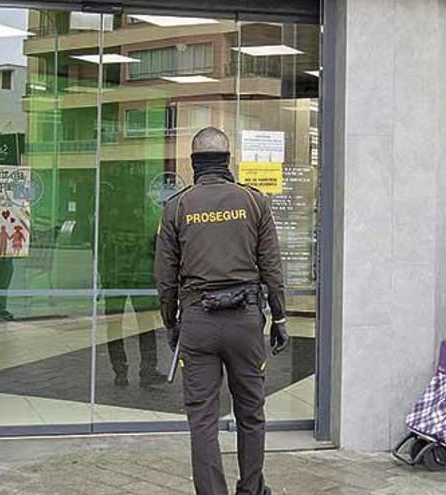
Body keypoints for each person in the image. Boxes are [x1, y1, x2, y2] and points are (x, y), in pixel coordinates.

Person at [154, 127, 288, 495]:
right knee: (251, 411)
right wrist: (279, 317)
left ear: (193, 162)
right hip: (245, 322)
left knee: (202, 420)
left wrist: (171, 324)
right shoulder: (255, 202)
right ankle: (251, 490)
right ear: (228, 160)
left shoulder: (177, 206)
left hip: (198, 323)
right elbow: (272, 268)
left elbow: (165, 278)